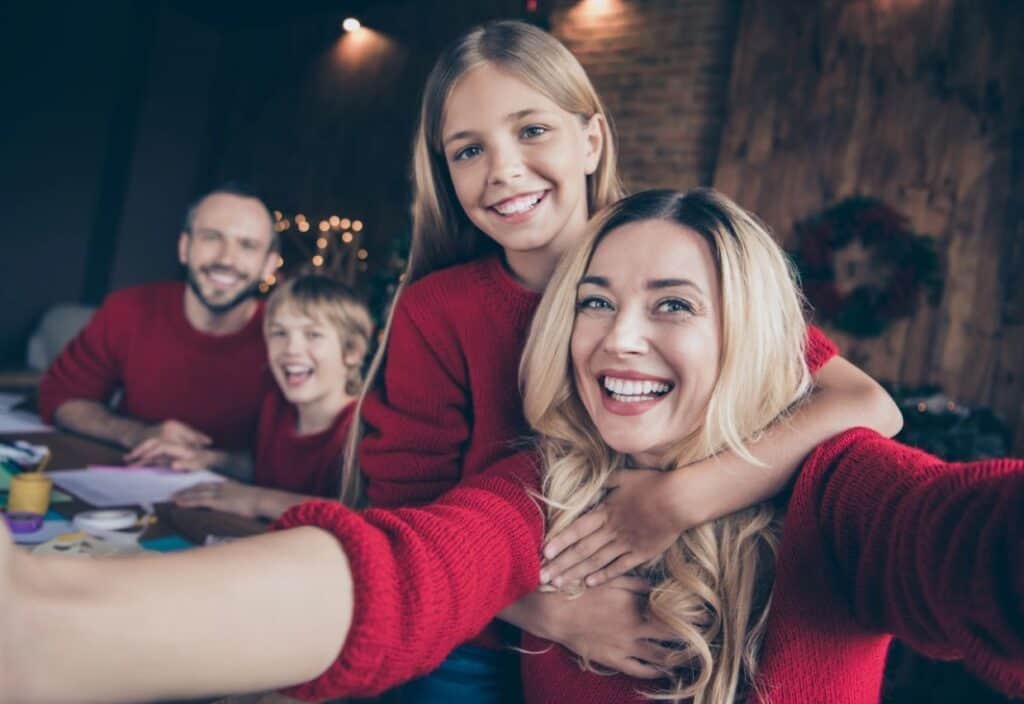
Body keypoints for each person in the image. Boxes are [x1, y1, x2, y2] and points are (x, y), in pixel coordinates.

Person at [4, 189, 1023, 704]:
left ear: (750, 331)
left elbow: (967, 539)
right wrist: (52, 621)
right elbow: (400, 573)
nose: (617, 338)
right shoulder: (538, 477)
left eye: (672, 305)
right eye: (594, 303)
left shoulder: (839, 486)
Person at [348, 19, 900, 700]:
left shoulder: (672, 250)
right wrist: (550, 613)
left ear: (591, 139)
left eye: (531, 130)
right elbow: (408, 507)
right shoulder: (440, 310)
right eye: (467, 150)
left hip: (662, 607)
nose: (504, 170)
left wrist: (676, 501)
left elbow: (869, 405)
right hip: (482, 634)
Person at [37, 184, 279, 470]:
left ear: (269, 266)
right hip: (127, 481)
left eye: (247, 245)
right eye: (211, 238)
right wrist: (136, 434)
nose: (226, 259)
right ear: (184, 248)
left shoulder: (287, 340)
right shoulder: (129, 309)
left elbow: (307, 466)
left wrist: (215, 461)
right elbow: (62, 397)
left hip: (234, 506)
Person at [160, 274, 374, 520]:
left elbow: (363, 514)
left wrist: (258, 500)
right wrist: (209, 459)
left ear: (352, 351)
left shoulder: (363, 429)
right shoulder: (276, 407)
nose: (291, 349)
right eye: (279, 333)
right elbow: (268, 467)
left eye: (313, 335)